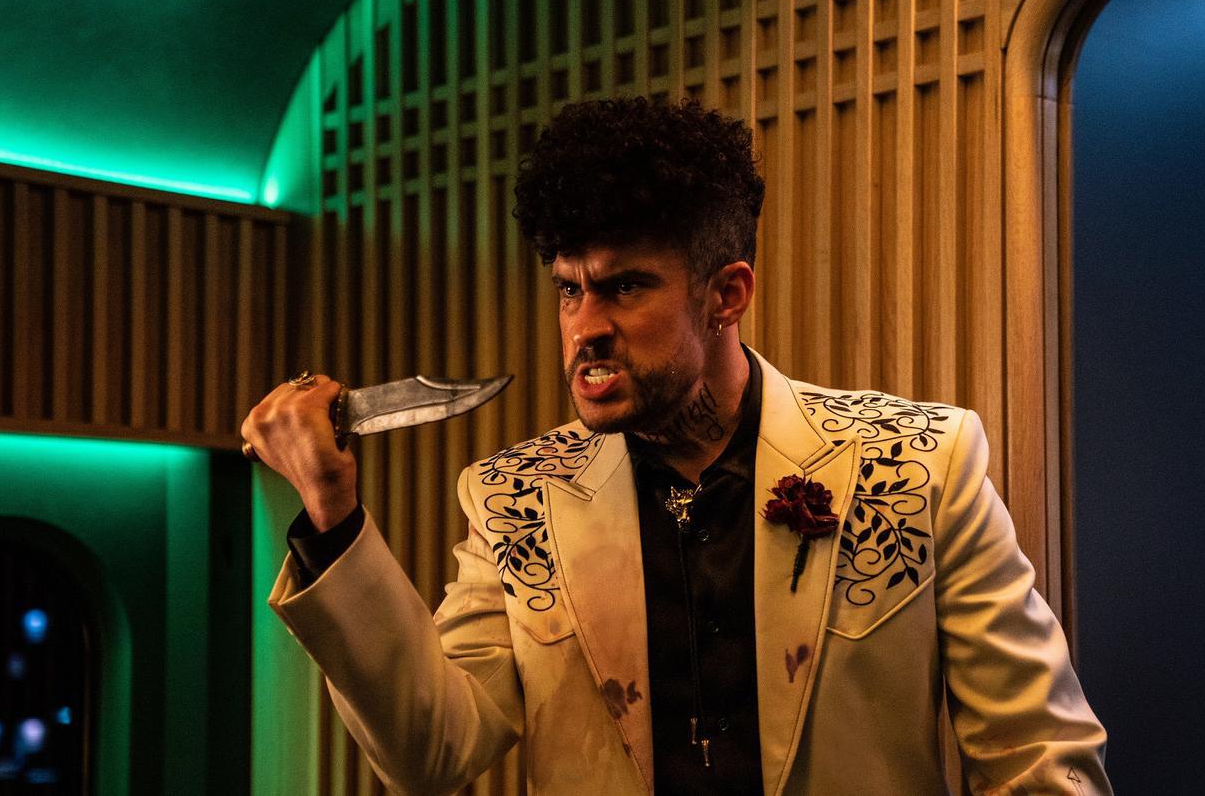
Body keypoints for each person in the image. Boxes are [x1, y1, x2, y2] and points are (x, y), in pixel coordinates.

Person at [243, 98, 1111, 795]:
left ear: (726, 293)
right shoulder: (514, 497)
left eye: (624, 287)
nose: (585, 328)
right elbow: (431, 748)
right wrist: (332, 513)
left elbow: (1042, 757)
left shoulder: (919, 462)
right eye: (569, 290)